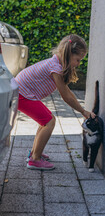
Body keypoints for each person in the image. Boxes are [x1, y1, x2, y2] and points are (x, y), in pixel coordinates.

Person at [15, 34, 95, 170]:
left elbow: (67, 91)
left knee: (45, 120)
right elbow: (66, 96)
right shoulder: (56, 68)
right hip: (21, 94)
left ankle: (35, 153)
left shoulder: (56, 63)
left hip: (21, 92)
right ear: (69, 54)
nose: (78, 64)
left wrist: (82, 110)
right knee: (49, 121)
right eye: (78, 60)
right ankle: (34, 160)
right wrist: (83, 111)